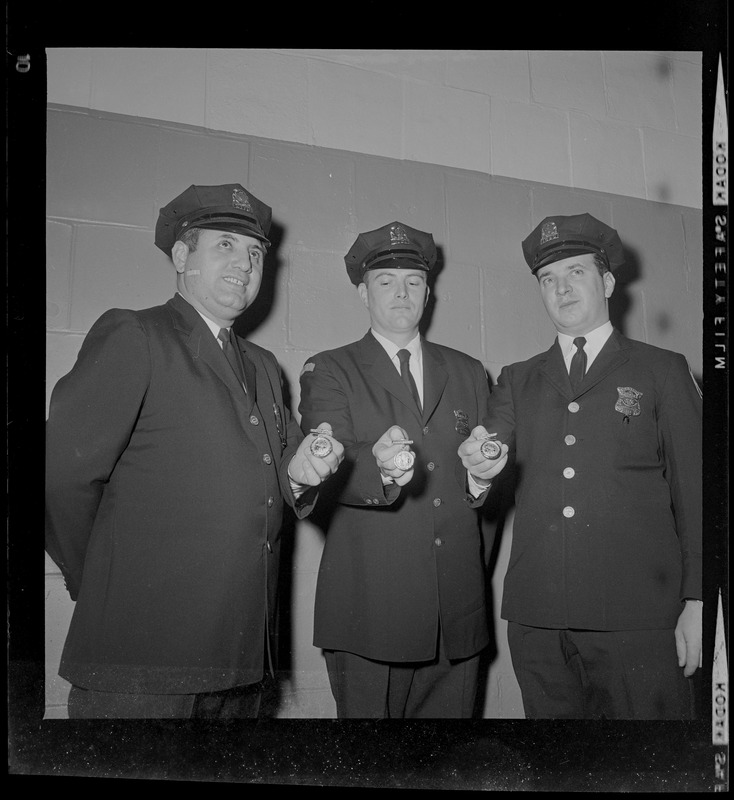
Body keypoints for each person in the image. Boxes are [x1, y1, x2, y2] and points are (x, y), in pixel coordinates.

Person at [45, 183, 344, 719]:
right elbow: (58, 476)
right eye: (224, 246)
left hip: (242, 660)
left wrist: (303, 473)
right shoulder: (137, 334)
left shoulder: (263, 366)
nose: (245, 263)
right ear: (183, 257)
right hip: (142, 656)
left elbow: (279, 471)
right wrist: (97, 579)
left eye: (254, 252)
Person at [459, 213, 702, 719]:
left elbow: (698, 494)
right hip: (540, 622)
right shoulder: (517, 380)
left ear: (608, 282)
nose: (561, 288)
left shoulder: (662, 370)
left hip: (639, 621)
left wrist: (699, 604)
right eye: (548, 279)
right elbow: (487, 461)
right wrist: (478, 470)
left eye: (576, 273)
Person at [298, 221, 508, 718]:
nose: (401, 293)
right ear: (361, 292)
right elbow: (327, 469)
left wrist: (480, 481)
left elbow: (491, 493)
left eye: (413, 281)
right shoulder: (331, 369)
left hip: (457, 616)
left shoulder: (469, 372)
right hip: (370, 612)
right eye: (385, 282)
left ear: (428, 292)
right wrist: (381, 468)